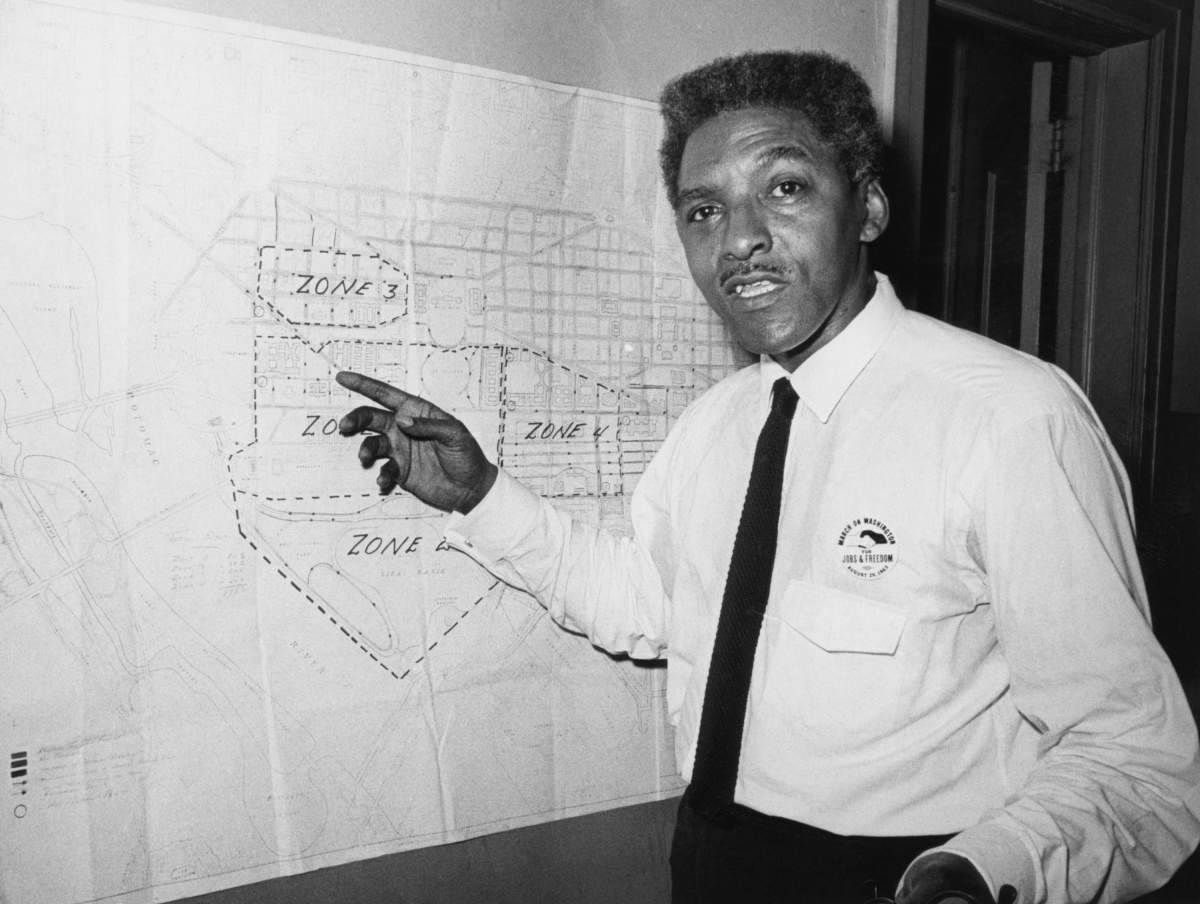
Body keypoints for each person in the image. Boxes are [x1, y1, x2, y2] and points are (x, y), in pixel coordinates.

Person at [335, 51, 1200, 903]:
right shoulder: (715, 424)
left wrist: (986, 868)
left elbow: (1132, 755)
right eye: (703, 210)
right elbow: (646, 606)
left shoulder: (1010, 417)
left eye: (784, 189)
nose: (740, 239)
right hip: (710, 858)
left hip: (911, 877)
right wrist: (481, 494)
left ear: (866, 205)